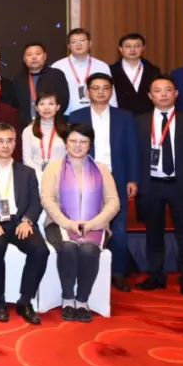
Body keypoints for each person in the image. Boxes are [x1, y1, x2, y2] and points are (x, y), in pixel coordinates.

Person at [0, 122, 48, 325]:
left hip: (20, 222)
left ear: (15, 144)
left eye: (9, 141)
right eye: (0, 141)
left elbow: (35, 202)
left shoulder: (27, 172)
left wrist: (27, 220)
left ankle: (25, 301)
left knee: (40, 250)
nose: (5, 145)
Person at [40, 123, 121, 322]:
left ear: (90, 144)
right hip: (59, 224)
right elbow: (47, 200)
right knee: (68, 248)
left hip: (95, 225)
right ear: (66, 143)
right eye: (73, 141)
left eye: (83, 142)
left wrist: (93, 224)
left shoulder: (101, 169)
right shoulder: (54, 167)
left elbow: (113, 202)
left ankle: (83, 300)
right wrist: (67, 223)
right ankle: (68, 299)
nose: (78, 145)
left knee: (89, 251)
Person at [134, 75, 183, 301]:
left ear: (176, 94)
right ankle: (155, 275)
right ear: (150, 96)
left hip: (181, 184)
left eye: (168, 90)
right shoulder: (139, 121)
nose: (163, 94)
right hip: (151, 184)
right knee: (153, 233)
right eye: (157, 90)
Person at [68, 73, 139, 291]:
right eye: (95, 88)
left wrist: (132, 179)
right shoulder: (76, 116)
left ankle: (118, 273)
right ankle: (89, 271)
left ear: (111, 91)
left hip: (117, 178)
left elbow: (132, 149)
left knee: (119, 228)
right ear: (87, 91)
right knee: (87, 225)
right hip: (86, 178)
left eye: (105, 88)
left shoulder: (124, 117)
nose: (100, 92)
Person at [50, 28, 114, 115]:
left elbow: (110, 92)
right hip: (67, 115)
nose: (78, 44)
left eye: (82, 40)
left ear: (89, 43)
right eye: (74, 42)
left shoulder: (102, 66)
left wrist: (113, 114)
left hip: (96, 114)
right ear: (68, 46)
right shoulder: (57, 66)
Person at [10, 42, 68, 128]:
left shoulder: (56, 75)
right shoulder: (18, 79)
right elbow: (15, 105)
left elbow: (63, 101)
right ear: (24, 59)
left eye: (38, 53)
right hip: (25, 127)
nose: (34, 57)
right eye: (29, 54)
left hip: (52, 125)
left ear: (45, 56)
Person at [20, 92, 68, 183]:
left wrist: (55, 175)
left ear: (57, 107)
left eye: (51, 104)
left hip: (61, 178)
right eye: (42, 104)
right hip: (35, 178)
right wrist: (42, 175)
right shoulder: (28, 131)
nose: (46, 108)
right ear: (36, 108)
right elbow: (27, 160)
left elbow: (69, 158)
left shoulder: (67, 130)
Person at [109, 33, 160, 116]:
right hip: (120, 116)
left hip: (147, 117)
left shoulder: (153, 70)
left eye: (137, 46)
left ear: (143, 48)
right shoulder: (110, 71)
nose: (132, 49)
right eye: (128, 46)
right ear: (120, 49)